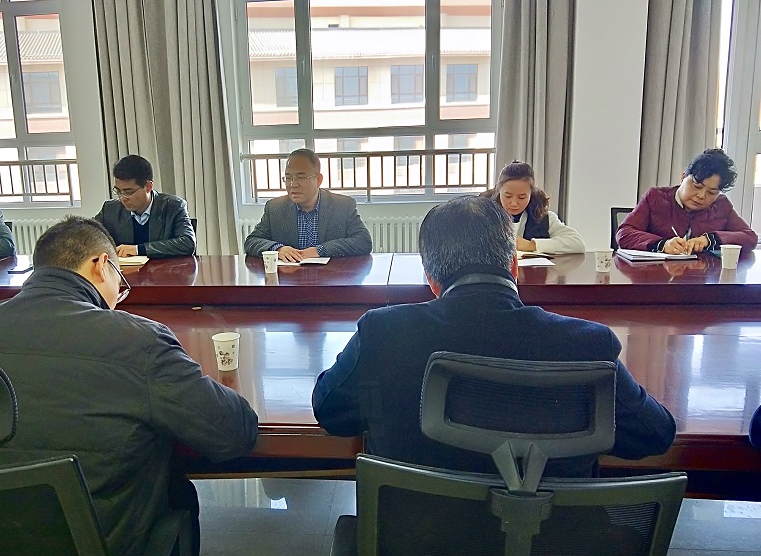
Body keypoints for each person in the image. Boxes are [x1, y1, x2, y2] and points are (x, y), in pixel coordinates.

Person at [0, 216, 258, 556]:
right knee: (176, 491)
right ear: (101, 265)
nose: (117, 297)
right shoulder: (138, 340)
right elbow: (233, 433)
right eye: (119, 283)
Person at [313, 196, 676, 477]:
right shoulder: (589, 344)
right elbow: (653, 434)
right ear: (514, 266)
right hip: (557, 548)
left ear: (431, 279)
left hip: (415, 545)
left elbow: (331, 412)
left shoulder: (383, 333)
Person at [616, 148, 758, 254]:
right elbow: (624, 233)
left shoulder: (721, 205)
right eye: (697, 186)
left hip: (700, 278)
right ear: (683, 177)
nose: (701, 196)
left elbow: (750, 237)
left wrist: (710, 239)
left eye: (712, 192)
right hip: (657, 277)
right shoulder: (656, 197)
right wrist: (663, 244)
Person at [244, 148, 372, 260]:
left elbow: (363, 242)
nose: (293, 184)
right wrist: (278, 249)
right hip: (289, 277)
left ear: (318, 180)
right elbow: (251, 241)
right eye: (288, 178)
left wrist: (320, 250)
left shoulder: (342, 205)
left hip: (330, 276)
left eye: (301, 177)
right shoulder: (275, 208)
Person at [94, 154, 196, 258]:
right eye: (118, 191)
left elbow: (188, 243)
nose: (122, 198)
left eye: (128, 192)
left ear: (148, 186)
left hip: (165, 268)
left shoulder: (173, 207)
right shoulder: (110, 210)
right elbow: (88, 234)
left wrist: (138, 249)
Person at [482, 160, 586, 255]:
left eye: (522, 197)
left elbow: (577, 243)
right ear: (498, 190)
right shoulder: (482, 214)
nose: (514, 203)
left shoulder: (542, 216)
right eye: (508, 196)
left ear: (531, 194)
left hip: (532, 269)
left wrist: (531, 245)